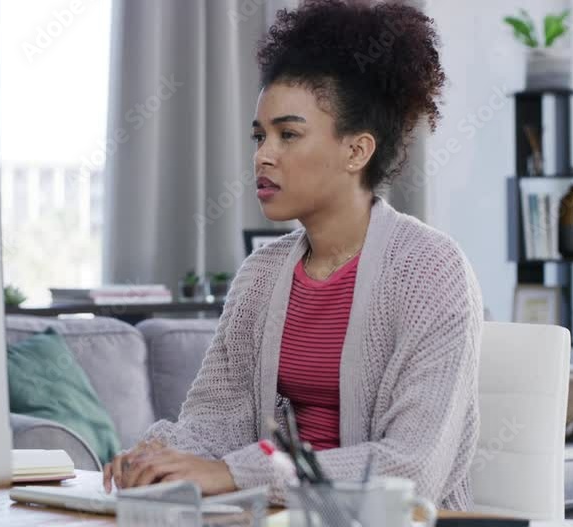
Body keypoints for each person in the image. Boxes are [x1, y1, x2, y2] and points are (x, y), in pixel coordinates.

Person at [103, 0, 483, 509]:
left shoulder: (431, 272)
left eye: (289, 134)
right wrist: (157, 456)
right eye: (260, 135)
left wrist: (234, 473)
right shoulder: (261, 275)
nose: (263, 154)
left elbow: (409, 469)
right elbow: (216, 420)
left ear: (356, 151)